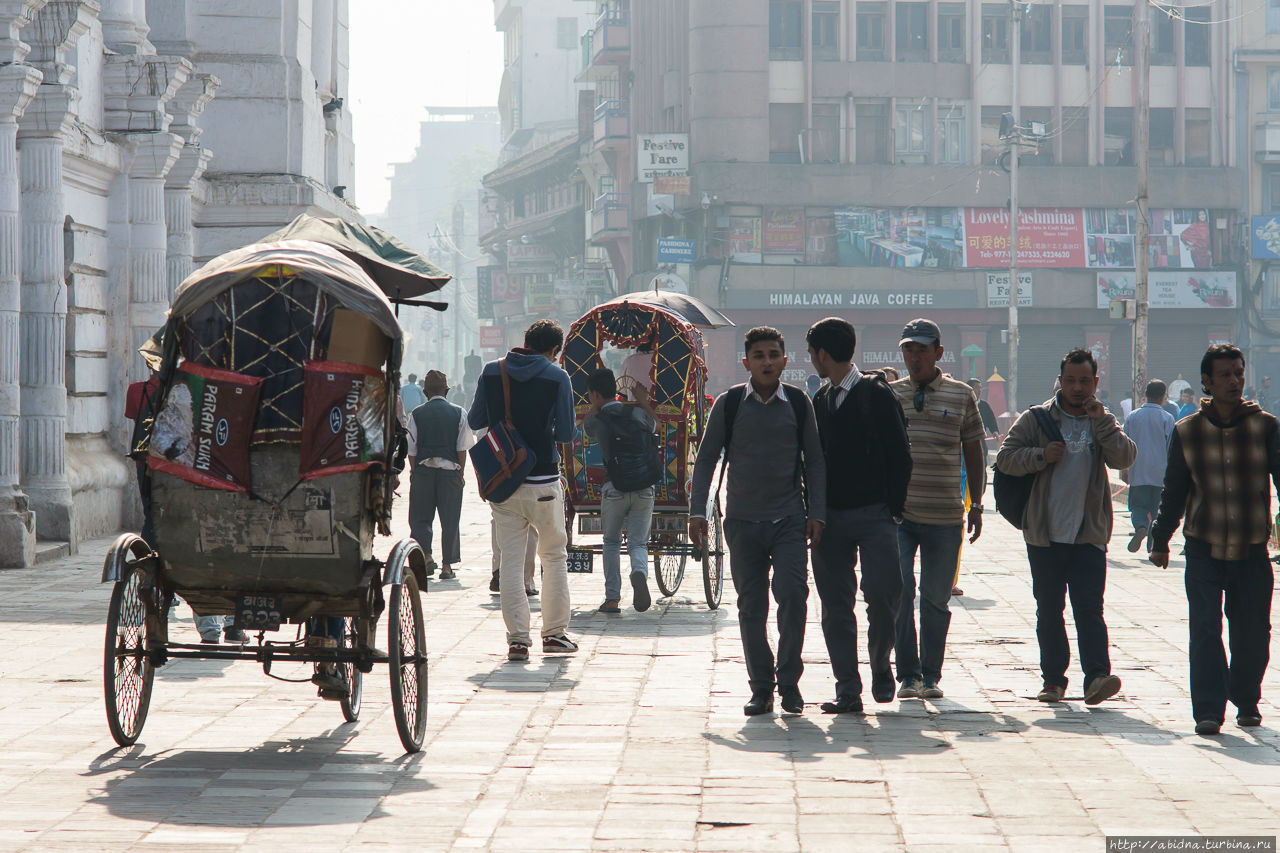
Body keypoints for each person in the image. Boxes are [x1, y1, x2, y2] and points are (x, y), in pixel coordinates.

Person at [689, 326, 826, 716]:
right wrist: (697, 511)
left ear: (785, 360)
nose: (767, 362)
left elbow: (815, 461)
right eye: (760, 356)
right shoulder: (730, 404)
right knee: (751, 606)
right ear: (746, 362)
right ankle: (761, 688)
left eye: (774, 355)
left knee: (793, 597)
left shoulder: (799, 403)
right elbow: (706, 460)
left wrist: (817, 513)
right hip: (742, 522)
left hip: (789, 520)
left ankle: (790, 683)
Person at [1150, 344, 1277, 736]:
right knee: (1205, 629)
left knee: (1253, 630)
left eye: (1238, 373)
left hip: (1253, 547)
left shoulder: (1266, 427)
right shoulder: (1187, 431)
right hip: (1204, 548)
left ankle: (1246, 698)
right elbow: (1174, 490)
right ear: (1206, 380)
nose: (1233, 381)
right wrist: (1160, 538)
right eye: (1224, 375)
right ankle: (1208, 708)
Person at [996, 348, 1136, 705]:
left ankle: (1097, 678)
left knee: (1089, 609)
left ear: (1095, 383)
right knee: (1049, 609)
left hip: (1088, 533)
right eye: (1070, 380)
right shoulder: (1037, 419)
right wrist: (1041, 456)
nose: (1077, 388)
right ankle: (1053, 681)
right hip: (1044, 533)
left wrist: (1102, 420)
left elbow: (1125, 457)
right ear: (1059, 381)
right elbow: (1005, 459)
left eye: (1084, 381)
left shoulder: (1100, 420)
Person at [806, 318, 911, 712]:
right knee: (835, 607)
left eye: (812, 354)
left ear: (822, 354)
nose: (812, 361)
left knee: (884, 594)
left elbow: (901, 454)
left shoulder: (876, 394)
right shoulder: (819, 400)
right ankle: (848, 688)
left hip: (875, 515)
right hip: (829, 518)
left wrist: (893, 509)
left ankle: (881, 663)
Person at [468, 319, 577, 661]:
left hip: (504, 482)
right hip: (543, 479)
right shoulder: (558, 377)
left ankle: (518, 640)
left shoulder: (490, 372)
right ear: (553, 350)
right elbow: (564, 434)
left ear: (526, 342)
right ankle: (555, 634)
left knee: (512, 563)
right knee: (553, 557)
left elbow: (474, 421)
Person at [889, 319, 985, 700]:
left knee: (934, 600)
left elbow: (974, 451)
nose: (915, 356)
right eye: (909, 349)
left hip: (945, 515)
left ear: (938, 353)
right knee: (899, 594)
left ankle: (931, 675)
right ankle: (907, 675)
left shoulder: (962, 395)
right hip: (898, 515)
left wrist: (976, 503)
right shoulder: (891, 394)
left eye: (922, 349)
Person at [583, 368, 658, 614]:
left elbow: (586, 428)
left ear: (594, 394)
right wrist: (643, 400)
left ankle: (612, 598)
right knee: (638, 542)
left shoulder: (596, 420)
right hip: (644, 486)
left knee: (612, 542)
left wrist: (595, 406)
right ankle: (638, 571)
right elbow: (655, 425)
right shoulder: (636, 412)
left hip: (613, 487)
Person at [407, 370, 474, 581]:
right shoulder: (459, 412)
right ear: (446, 391)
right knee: (450, 519)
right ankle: (446, 566)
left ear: (425, 392)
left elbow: (412, 450)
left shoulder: (416, 414)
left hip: (424, 471)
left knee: (420, 518)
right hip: (450, 473)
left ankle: (426, 557)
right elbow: (462, 448)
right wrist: (460, 473)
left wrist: (414, 472)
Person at [1122, 380, 1175, 553]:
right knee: (1156, 510)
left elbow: (1124, 445)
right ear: (1163, 396)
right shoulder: (1167, 418)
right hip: (1160, 473)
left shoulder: (1133, 417)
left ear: (1145, 394)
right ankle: (1152, 542)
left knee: (1138, 505)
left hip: (1138, 470)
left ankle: (1140, 527)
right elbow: (1171, 448)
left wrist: (1123, 469)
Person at [969, 377, 1000, 463]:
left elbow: (991, 420)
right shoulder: (964, 404)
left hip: (980, 438)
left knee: (982, 462)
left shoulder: (984, 405)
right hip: (967, 439)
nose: (979, 390)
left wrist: (995, 431)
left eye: (980, 388)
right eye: (976, 387)